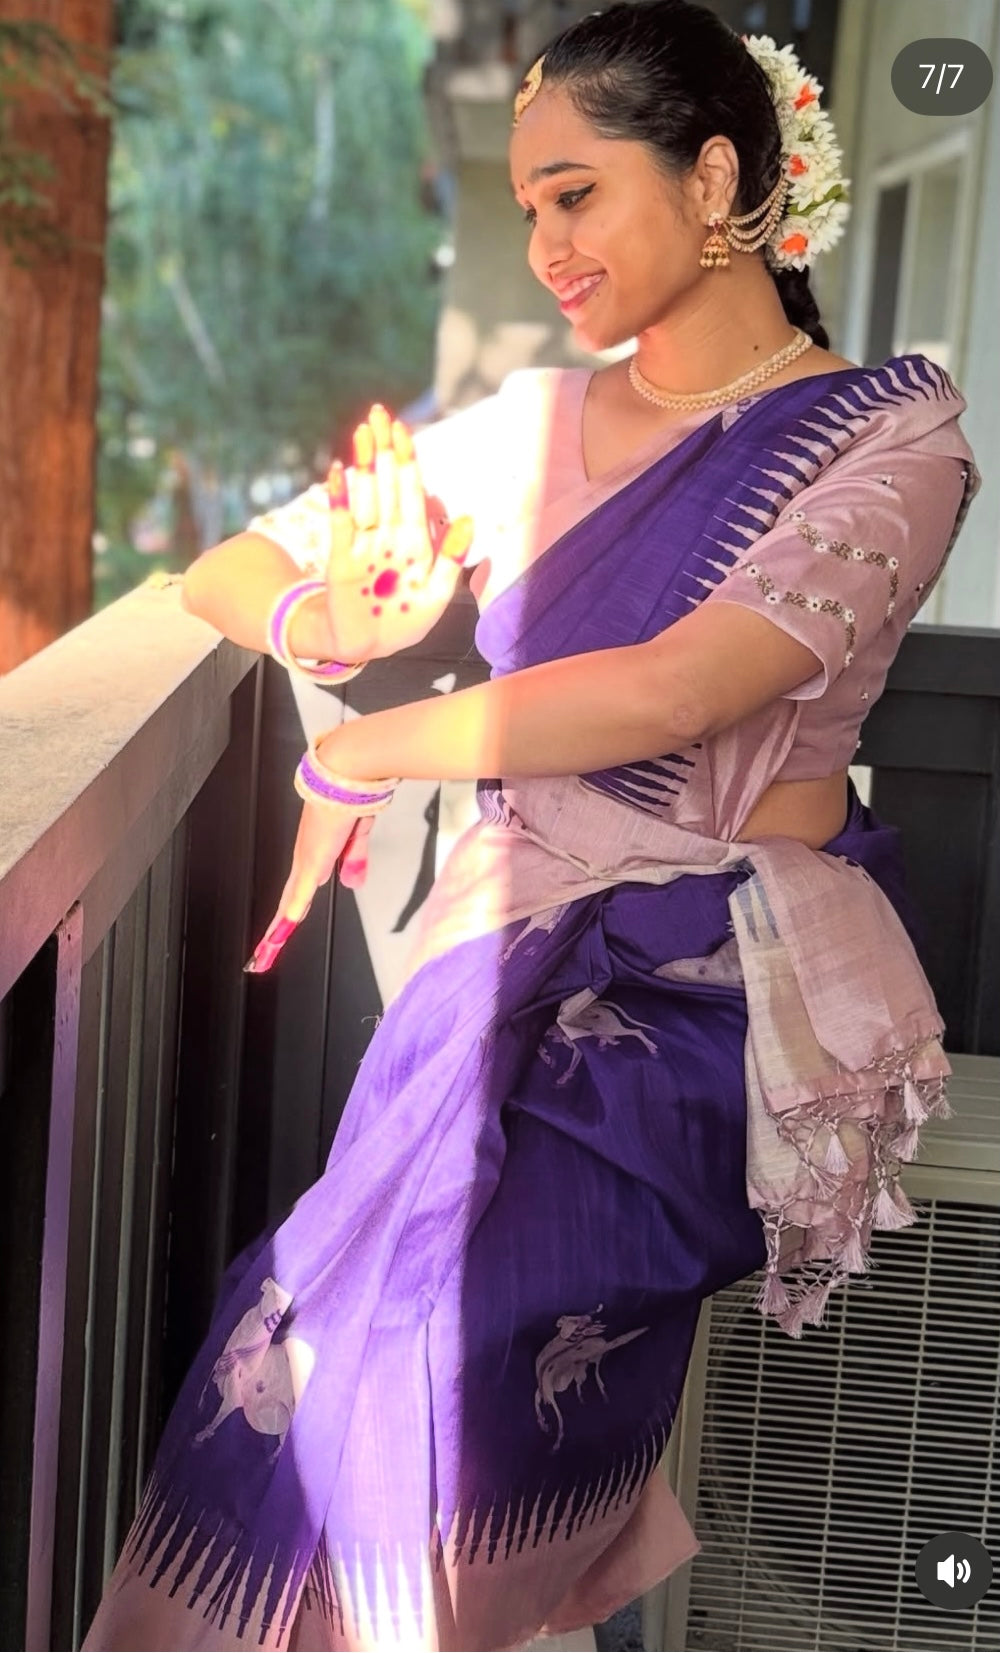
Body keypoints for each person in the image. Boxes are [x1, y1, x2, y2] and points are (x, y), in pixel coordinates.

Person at [85, 4, 979, 1649]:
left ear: (715, 178)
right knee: (304, 1345)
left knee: (447, 1371)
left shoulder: (891, 439)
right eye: (526, 209)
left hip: (692, 994)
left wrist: (373, 746)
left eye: (577, 194)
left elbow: (676, 689)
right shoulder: (530, 431)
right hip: (498, 956)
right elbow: (223, 565)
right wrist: (322, 618)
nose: (546, 245)